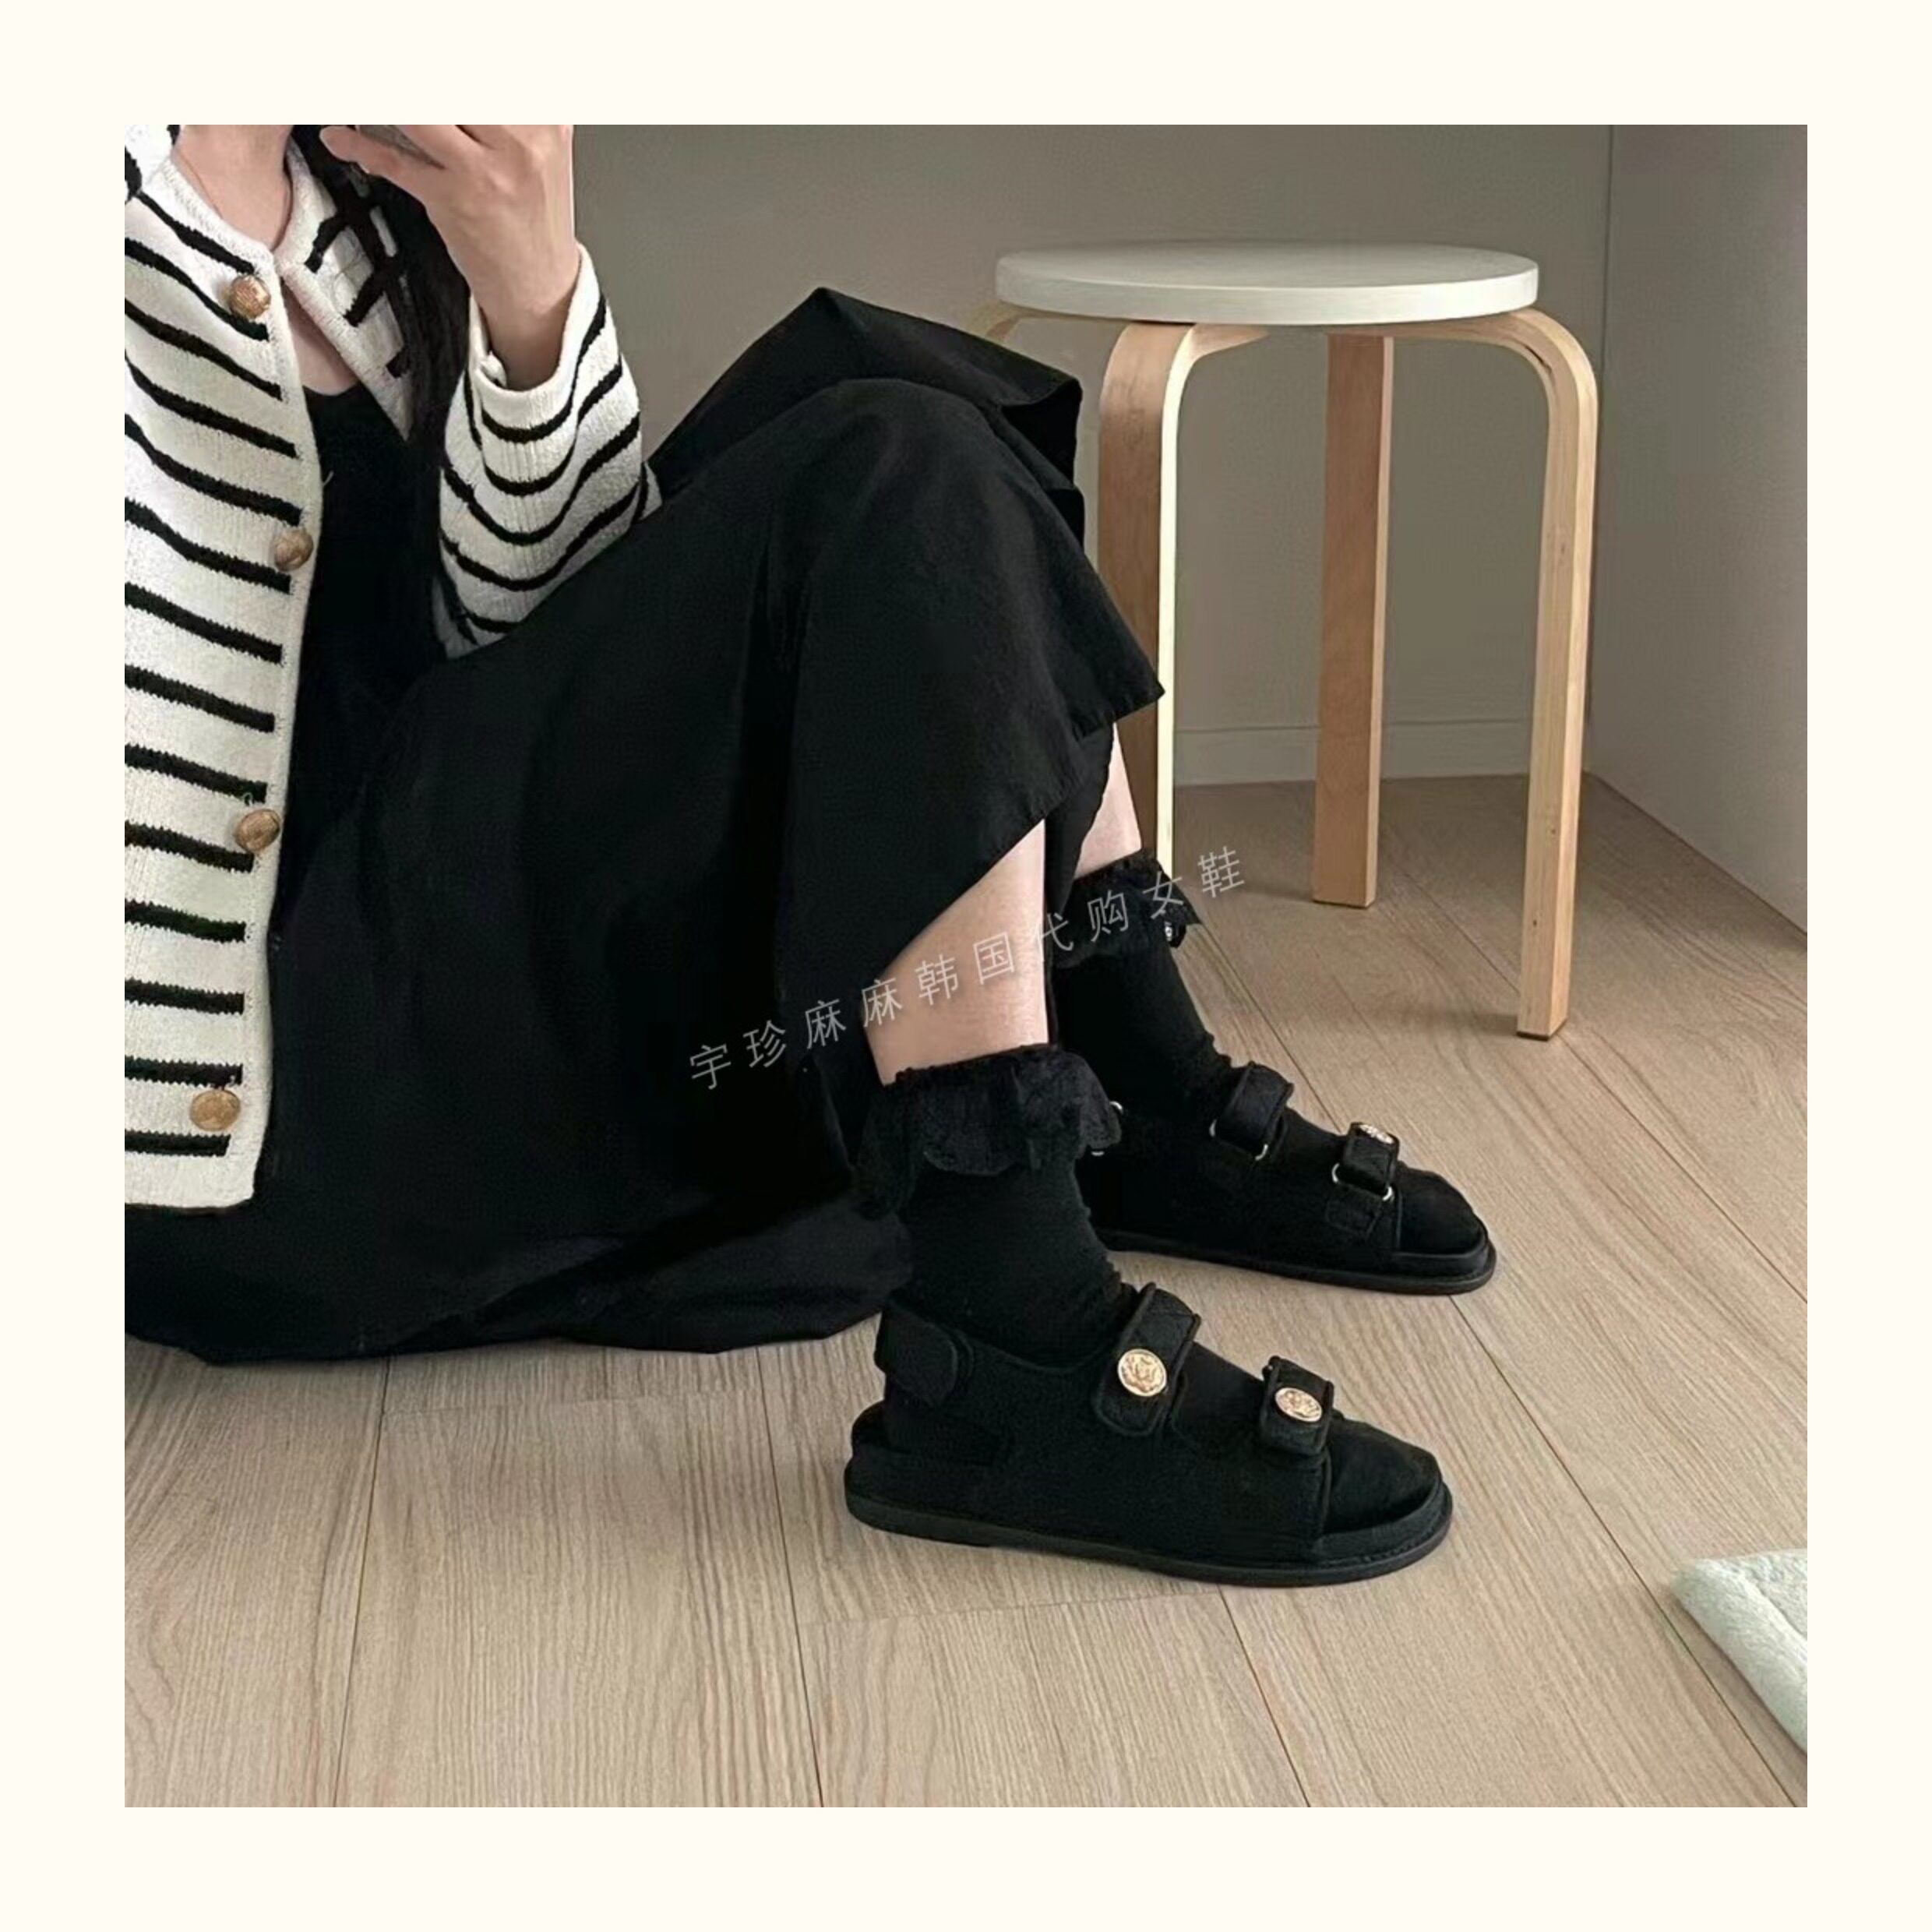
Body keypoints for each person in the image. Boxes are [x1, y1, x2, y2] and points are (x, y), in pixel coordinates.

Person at [124, 124, 1493, 1585]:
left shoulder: (355, 188)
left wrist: (527, 298)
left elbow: (536, 647)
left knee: (898, 385)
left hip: (442, 958)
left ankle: (1127, 1075)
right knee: (895, 468)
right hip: (254, 1113)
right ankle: (1010, 1335)